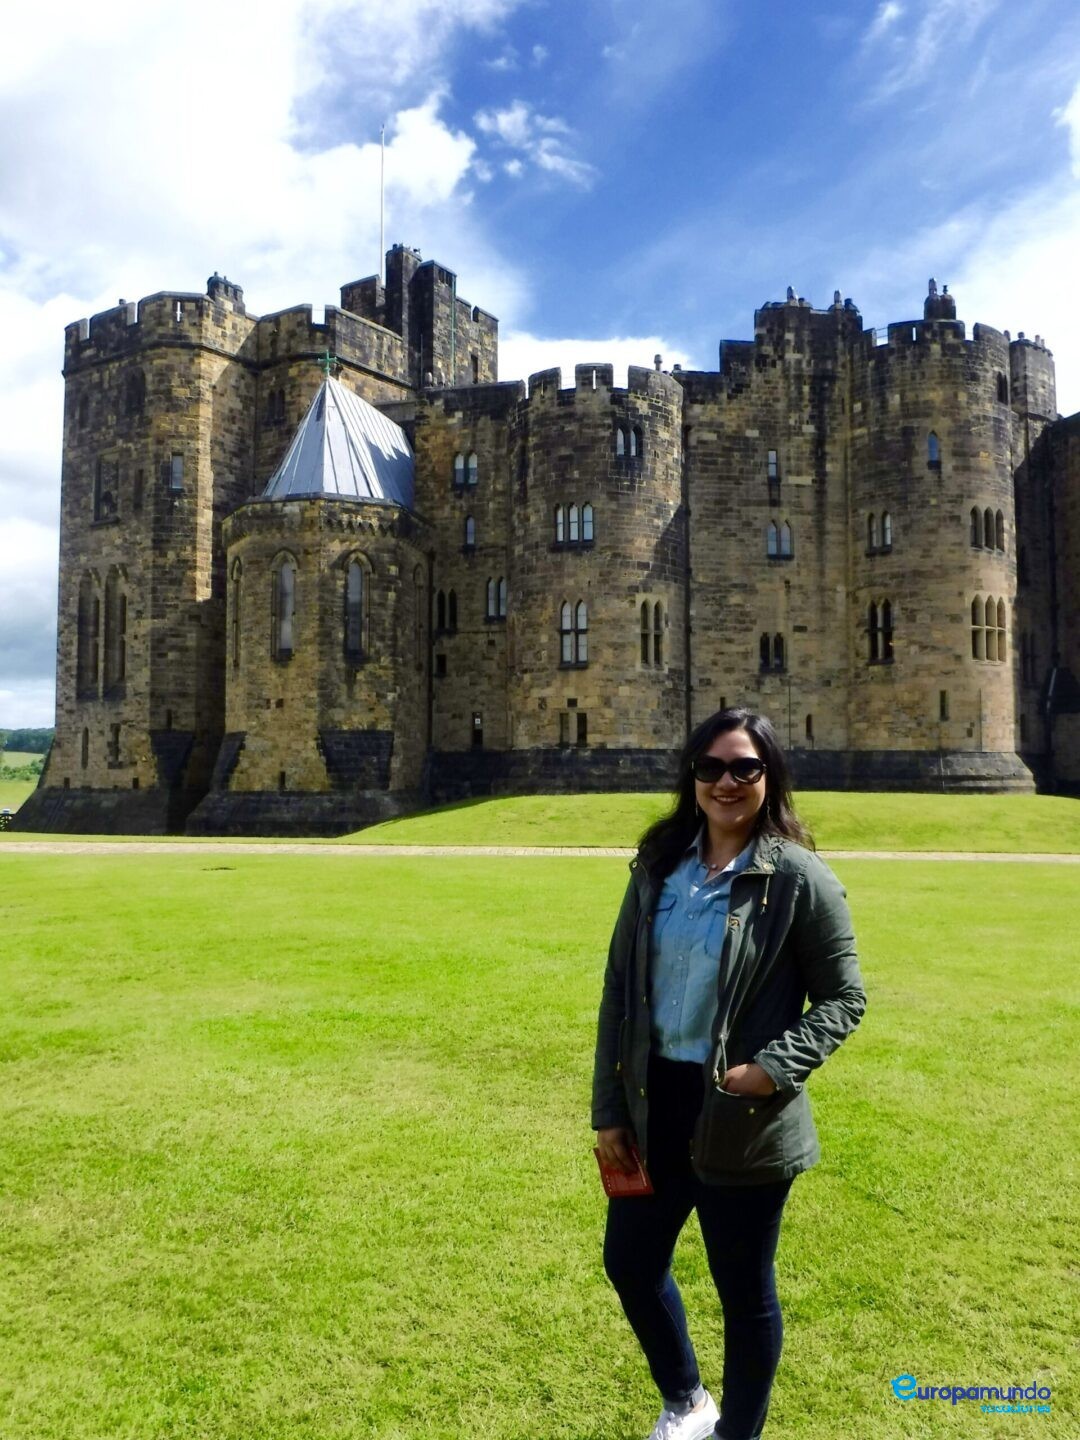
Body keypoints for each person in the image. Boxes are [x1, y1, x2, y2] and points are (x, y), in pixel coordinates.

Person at [592, 707, 866, 1440]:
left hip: (744, 1115)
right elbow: (620, 990)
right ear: (692, 776)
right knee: (630, 1261)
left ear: (769, 776)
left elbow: (844, 998)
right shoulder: (659, 864)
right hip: (656, 1103)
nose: (727, 782)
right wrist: (609, 1108)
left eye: (745, 767)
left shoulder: (798, 877)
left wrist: (773, 1068)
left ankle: (735, 1434)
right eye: (711, 767)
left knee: (743, 1293)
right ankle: (686, 1401)